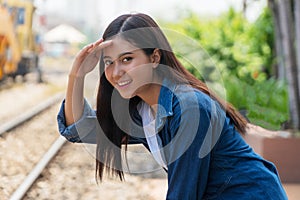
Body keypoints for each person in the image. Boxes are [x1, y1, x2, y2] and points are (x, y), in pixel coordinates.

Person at [57, 13, 288, 199]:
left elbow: (183, 193)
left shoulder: (190, 108)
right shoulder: (143, 112)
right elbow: (79, 128)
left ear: (155, 58)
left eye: (127, 59)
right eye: (109, 62)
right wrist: (76, 76)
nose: (116, 73)